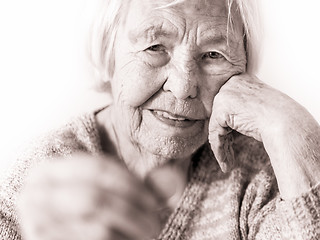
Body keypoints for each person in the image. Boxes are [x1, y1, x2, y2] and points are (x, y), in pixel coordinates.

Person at [1, 0, 320, 239]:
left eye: (213, 55)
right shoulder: (38, 180)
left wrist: (293, 130)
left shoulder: (260, 173)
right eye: (155, 47)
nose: (183, 87)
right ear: (107, 53)